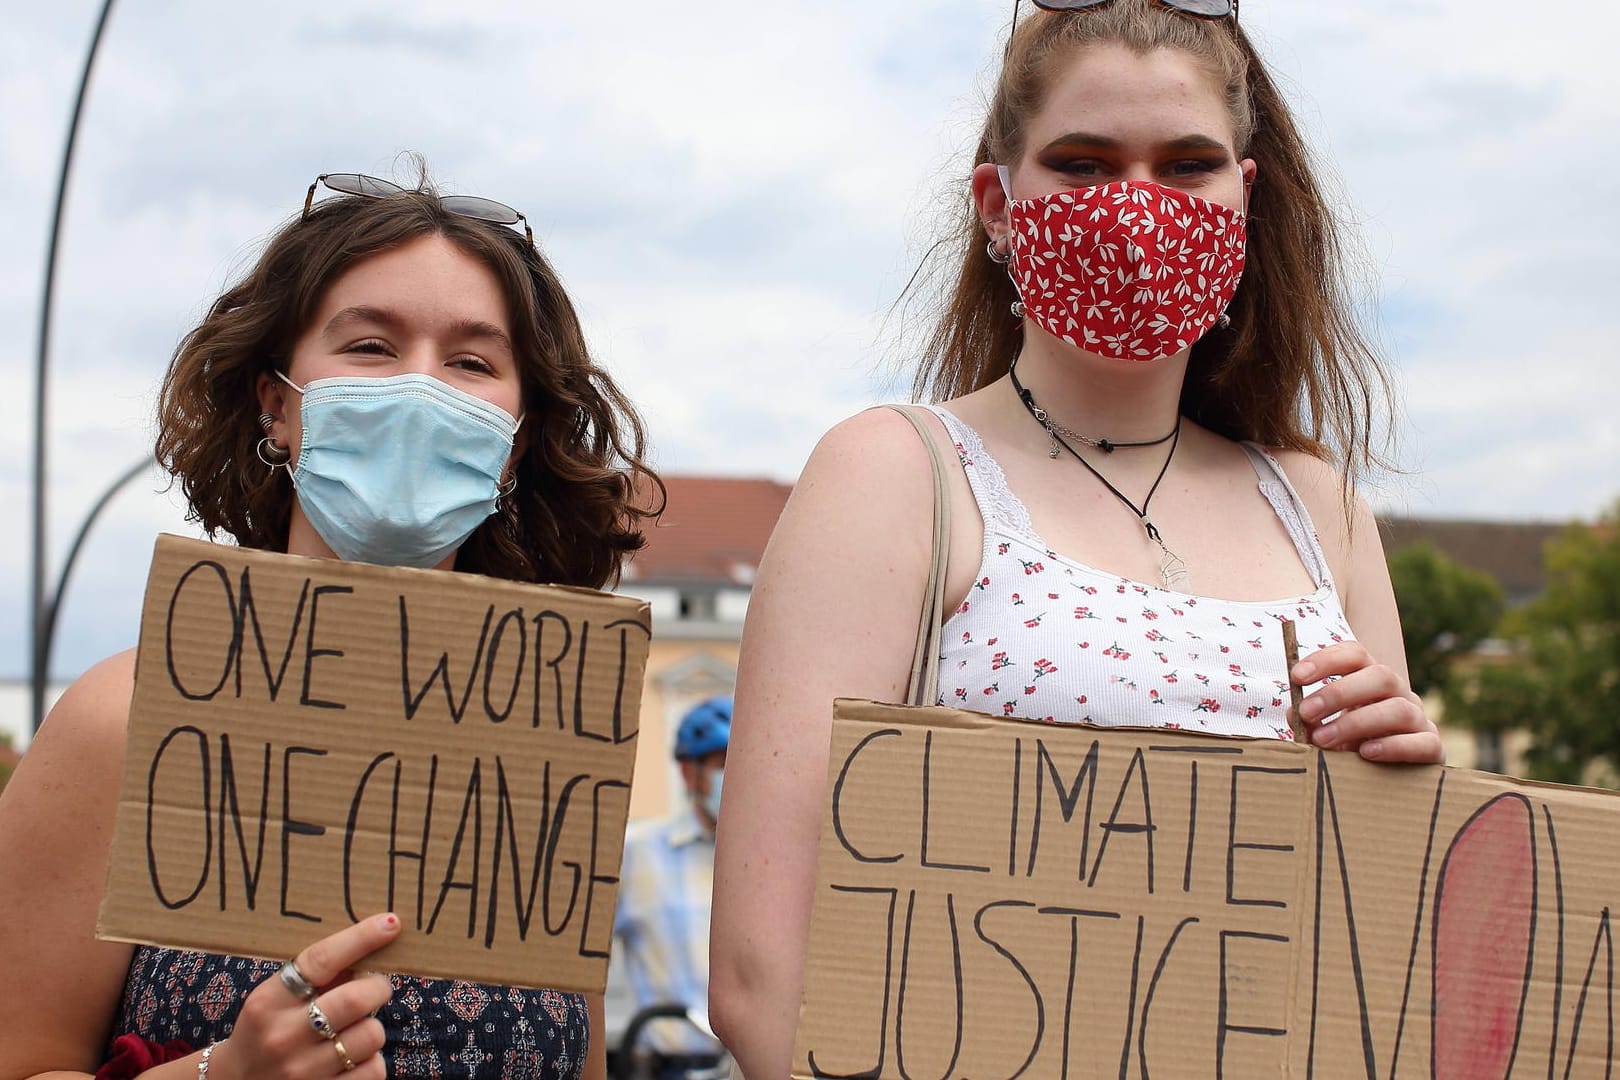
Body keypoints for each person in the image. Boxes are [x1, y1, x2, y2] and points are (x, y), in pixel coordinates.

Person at [709, 2, 1444, 1075]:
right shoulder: (898, 474)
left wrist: (1406, 795)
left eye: (1186, 165)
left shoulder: (1323, 508)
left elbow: (1384, 954)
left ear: (1244, 198)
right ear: (999, 207)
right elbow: (761, 977)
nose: (1137, 209)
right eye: (1085, 166)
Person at [0, 167, 661, 1080]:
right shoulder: (129, 714)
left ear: (515, 438)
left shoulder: (551, 748)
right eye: (371, 347)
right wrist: (222, 1076)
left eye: (471, 362)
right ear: (278, 402)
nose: (421, 388)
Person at [611, 698, 730, 1078]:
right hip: (672, 1069)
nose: (738, 776)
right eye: (722, 763)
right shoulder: (638, 852)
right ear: (689, 772)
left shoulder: (778, 861)